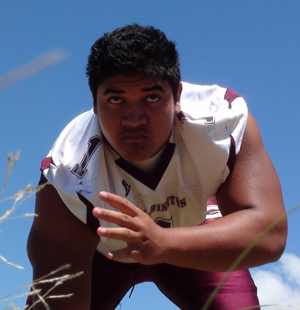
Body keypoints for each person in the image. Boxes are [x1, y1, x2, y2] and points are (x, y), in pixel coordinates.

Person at [27, 24, 287, 310]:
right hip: (103, 258)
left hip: (193, 240)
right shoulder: (67, 169)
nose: (134, 119)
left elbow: (270, 234)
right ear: (95, 104)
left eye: (152, 98)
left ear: (177, 97)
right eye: (115, 100)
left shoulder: (221, 121)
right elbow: (56, 296)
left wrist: (163, 242)